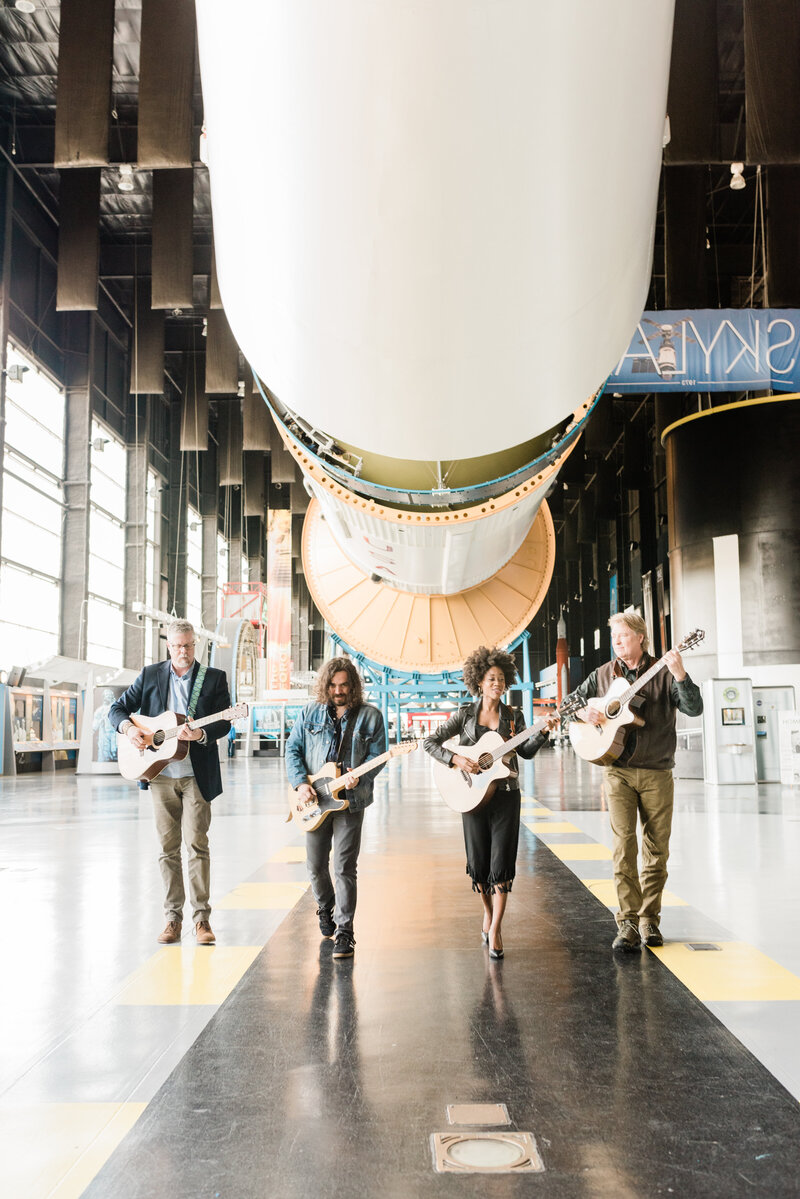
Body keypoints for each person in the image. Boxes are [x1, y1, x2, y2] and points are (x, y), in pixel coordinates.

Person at [564, 611, 703, 952]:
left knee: (656, 850)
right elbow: (568, 704)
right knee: (623, 847)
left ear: (640, 637)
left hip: (657, 770)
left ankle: (650, 921)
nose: (617, 643)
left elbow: (694, 708)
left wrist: (680, 674)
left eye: (623, 636)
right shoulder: (603, 675)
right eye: (614, 637)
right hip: (618, 770)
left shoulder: (663, 671)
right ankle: (627, 922)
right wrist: (585, 712)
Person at [423, 645, 557, 959]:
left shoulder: (514, 717)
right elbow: (430, 743)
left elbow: (524, 752)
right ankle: (487, 912)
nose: (496, 683)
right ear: (479, 682)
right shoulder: (465, 715)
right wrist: (455, 758)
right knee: (479, 866)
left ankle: (496, 927)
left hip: (507, 797)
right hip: (471, 798)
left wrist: (543, 732)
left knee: (502, 866)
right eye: (490, 678)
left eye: (501, 679)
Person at [109, 620, 231, 946]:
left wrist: (202, 733)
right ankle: (172, 920)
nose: (183, 652)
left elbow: (223, 724)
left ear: (196, 645)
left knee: (197, 846)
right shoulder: (150, 675)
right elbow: (117, 708)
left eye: (189, 645)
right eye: (178, 646)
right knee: (167, 850)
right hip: (160, 775)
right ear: (168, 646)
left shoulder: (214, 678)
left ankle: (202, 919)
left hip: (196, 776)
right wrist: (130, 730)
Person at [285, 657, 387, 961]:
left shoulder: (371, 717)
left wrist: (362, 777)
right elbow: (293, 749)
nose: (338, 690)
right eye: (333, 685)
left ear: (353, 686)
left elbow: (379, 755)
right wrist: (300, 784)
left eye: (344, 685)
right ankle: (325, 906)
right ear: (325, 685)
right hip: (314, 799)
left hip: (350, 803)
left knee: (344, 867)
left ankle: (345, 932)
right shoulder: (309, 712)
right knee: (315, 866)